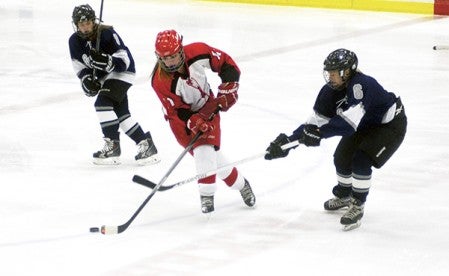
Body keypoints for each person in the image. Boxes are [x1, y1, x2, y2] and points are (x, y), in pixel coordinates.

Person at [264, 48, 407, 230]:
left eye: (334, 73)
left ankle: (358, 204)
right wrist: (288, 142)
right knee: (341, 157)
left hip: (389, 126)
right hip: (364, 125)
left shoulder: (361, 85)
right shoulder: (328, 93)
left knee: (361, 160)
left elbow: (348, 124)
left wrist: (319, 134)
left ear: (347, 72)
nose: (330, 77)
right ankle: (345, 195)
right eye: (328, 72)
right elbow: (313, 124)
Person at [150, 29, 256, 213]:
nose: (169, 62)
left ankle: (206, 196)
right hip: (180, 122)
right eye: (164, 58)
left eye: (173, 56)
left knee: (204, 150)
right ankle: (241, 184)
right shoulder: (159, 80)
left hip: (209, 107)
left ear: (181, 50)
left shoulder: (197, 51)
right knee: (213, 160)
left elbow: (226, 63)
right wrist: (193, 120)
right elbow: (176, 111)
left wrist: (228, 88)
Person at [68, 4, 159, 165]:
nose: (86, 27)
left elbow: (125, 59)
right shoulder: (74, 41)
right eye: (82, 25)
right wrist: (87, 80)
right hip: (106, 79)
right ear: (76, 25)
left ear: (93, 21)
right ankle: (146, 144)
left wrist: (108, 61)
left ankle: (113, 147)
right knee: (122, 115)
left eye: (88, 23)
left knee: (102, 104)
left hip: (122, 73)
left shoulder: (106, 33)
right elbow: (80, 66)